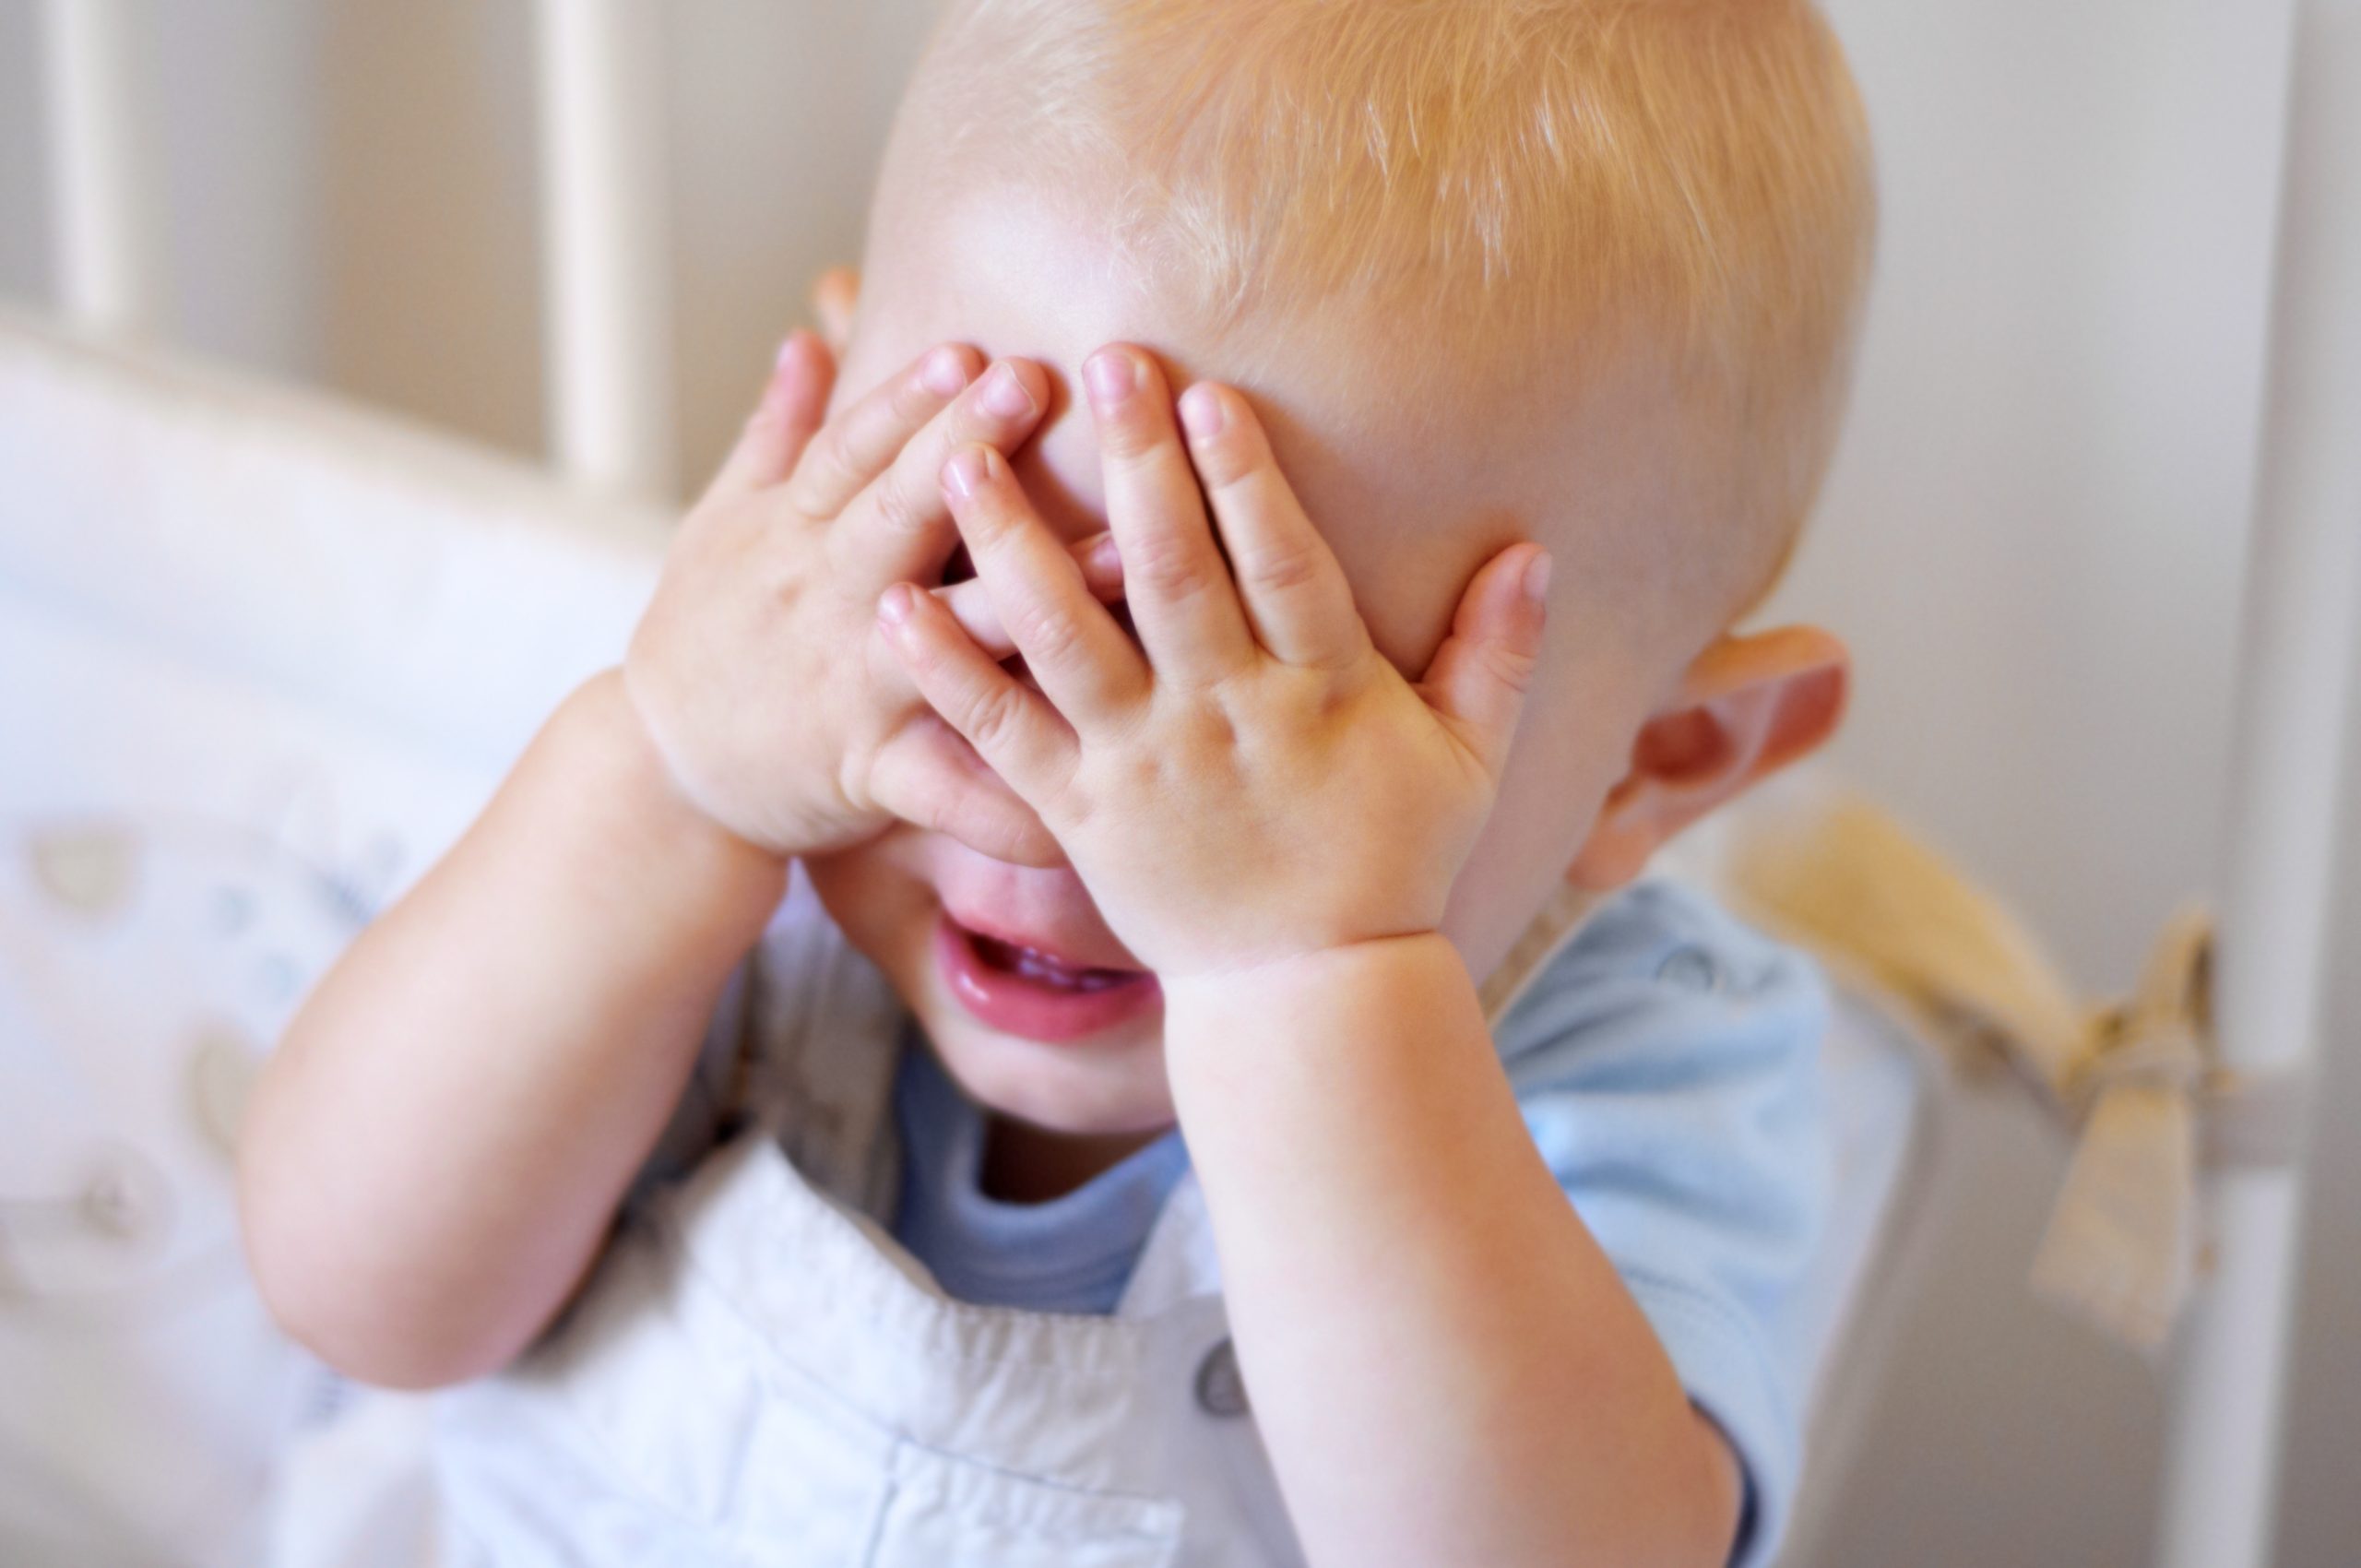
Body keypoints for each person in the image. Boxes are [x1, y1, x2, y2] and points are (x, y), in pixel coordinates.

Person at [240, 2, 1875, 1563]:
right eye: (971, 576)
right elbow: (356, 1297)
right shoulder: (724, 857)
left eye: (1276, 721)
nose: (1046, 799)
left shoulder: (1635, 1057)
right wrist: (660, 767)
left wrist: (1302, 980)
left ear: (1656, 757)